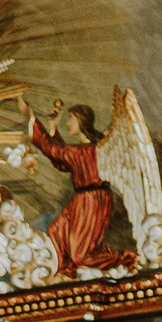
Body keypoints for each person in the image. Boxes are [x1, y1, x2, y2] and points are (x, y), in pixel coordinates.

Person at [24, 100, 136, 275]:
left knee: (81, 256)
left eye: (71, 119)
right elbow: (62, 160)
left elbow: (55, 150)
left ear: (82, 121)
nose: (68, 123)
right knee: (56, 231)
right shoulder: (83, 150)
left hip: (92, 201)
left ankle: (126, 261)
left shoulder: (85, 151)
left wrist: (31, 117)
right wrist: (53, 127)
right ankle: (70, 275)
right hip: (82, 198)